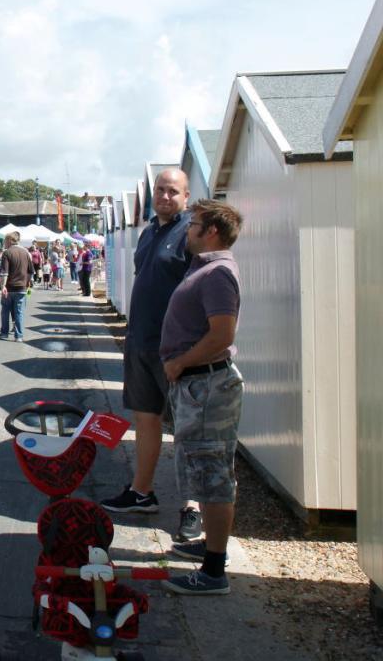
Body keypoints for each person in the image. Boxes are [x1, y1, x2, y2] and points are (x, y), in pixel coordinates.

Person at [100, 169, 202, 544]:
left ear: (186, 196)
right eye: (159, 189)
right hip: (140, 342)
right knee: (145, 420)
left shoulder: (192, 232)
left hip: (176, 348)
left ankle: (193, 507)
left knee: (189, 430)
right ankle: (141, 493)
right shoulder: (149, 232)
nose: (164, 196)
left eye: (172, 191)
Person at [159, 200, 244, 595]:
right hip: (198, 385)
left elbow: (222, 334)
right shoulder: (205, 268)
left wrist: (180, 363)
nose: (187, 230)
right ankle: (211, 549)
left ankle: (213, 572)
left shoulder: (217, 274)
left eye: (193, 224)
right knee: (205, 469)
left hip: (207, 386)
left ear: (211, 231)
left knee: (213, 474)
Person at [0, 231, 34, 342]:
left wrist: (3, 286)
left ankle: (4, 333)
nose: (4, 243)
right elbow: (31, 271)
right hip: (22, 288)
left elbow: (5, 272)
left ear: (9, 240)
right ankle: (19, 336)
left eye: (5, 240)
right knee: (19, 312)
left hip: (9, 287)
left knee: (5, 311)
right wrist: (27, 283)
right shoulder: (26, 252)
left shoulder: (7, 253)